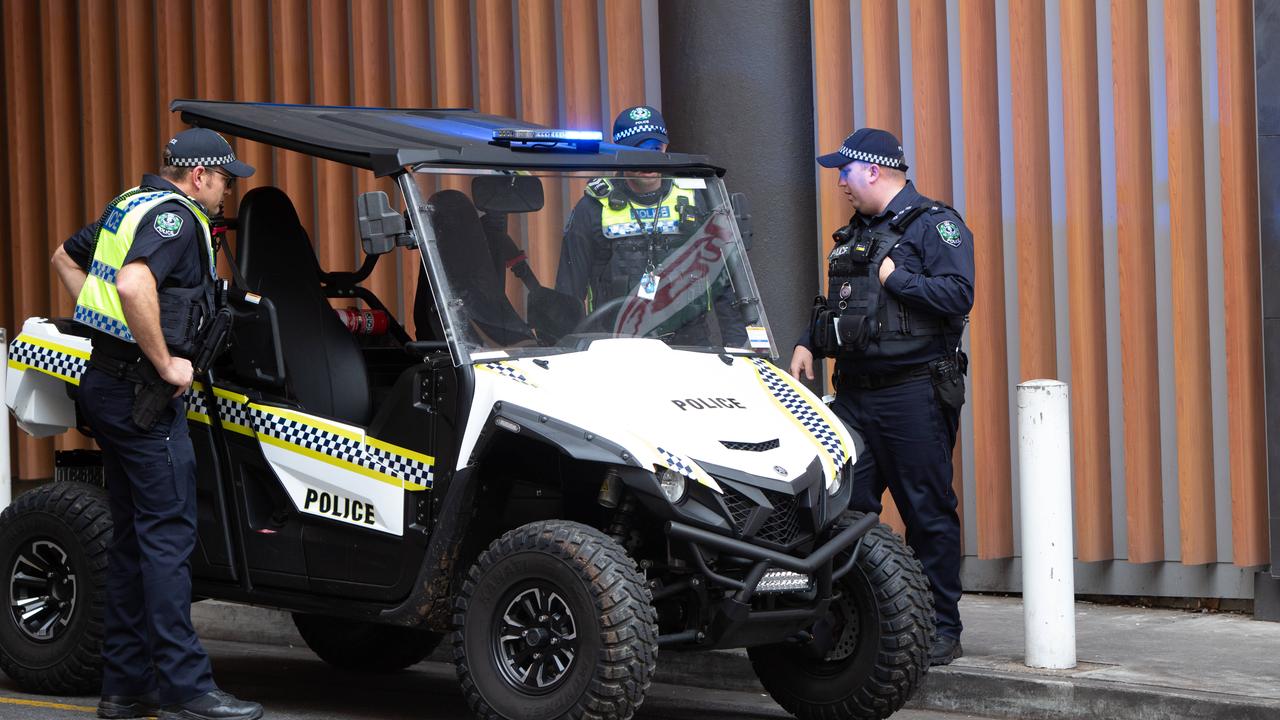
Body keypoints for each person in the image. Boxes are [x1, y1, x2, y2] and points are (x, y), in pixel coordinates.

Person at [50, 128, 263, 720]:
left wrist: (113, 333)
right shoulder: (175, 219)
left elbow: (66, 259)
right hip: (142, 395)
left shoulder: (129, 204)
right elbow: (134, 281)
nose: (226, 193)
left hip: (107, 386)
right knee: (167, 539)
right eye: (224, 180)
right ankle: (186, 688)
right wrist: (163, 358)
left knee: (131, 540)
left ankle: (125, 687)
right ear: (199, 176)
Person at [790, 128, 974, 666]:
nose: (840, 182)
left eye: (844, 171)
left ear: (872, 170)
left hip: (912, 394)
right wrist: (808, 340)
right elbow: (844, 304)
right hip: (855, 397)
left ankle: (942, 626)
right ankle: (846, 619)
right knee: (841, 510)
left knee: (928, 512)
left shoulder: (935, 224)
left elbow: (960, 294)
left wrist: (901, 282)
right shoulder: (855, 233)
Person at [555, 105, 747, 347]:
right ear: (619, 151)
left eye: (655, 149)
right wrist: (568, 351)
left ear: (666, 147)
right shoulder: (593, 207)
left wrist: (738, 347)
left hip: (691, 347)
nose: (648, 159)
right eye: (637, 151)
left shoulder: (697, 198)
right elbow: (568, 292)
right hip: (616, 347)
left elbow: (726, 281)